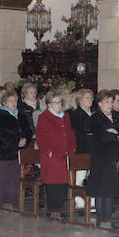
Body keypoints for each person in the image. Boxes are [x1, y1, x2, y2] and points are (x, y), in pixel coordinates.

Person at [36, 89, 77, 217]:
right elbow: (40, 138)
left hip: (66, 154)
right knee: (54, 184)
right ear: (49, 104)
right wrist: (49, 152)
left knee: (65, 183)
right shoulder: (44, 117)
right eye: (55, 102)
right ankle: (54, 209)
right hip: (53, 157)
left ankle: (62, 209)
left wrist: (73, 147)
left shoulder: (66, 116)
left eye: (60, 102)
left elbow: (70, 133)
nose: (58, 105)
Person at [87, 90, 119, 226]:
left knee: (111, 188)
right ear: (100, 103)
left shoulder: (116, 115)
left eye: (111, 101)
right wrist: (113, 133)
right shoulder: (95, 118)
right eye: (107, 102)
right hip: (101, 157)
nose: (110, 104)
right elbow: (101, 137)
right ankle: (102, 217)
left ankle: (109, 216)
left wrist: (114, 132)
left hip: (115, 156)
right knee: (101, 188)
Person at [0, 89, 30, 206]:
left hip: (19, 152)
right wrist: (16, 142)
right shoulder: (0, 116)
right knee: (6, 176)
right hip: (4, 151)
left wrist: (25, 140)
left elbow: (27, 131)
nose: (13, 103)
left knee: (16, 176)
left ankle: (14, 198)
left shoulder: (21, 116)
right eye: (10, 101)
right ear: (4, 103)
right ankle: (5, 200)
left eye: (15, 101)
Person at [69, 88, 95, 154]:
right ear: (80, 100)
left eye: (91, 98)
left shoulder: (95, 113)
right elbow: (83, 130)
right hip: (83, 148)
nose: (90, 100)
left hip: (95, 147)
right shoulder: (75, 114)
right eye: (87, 98)